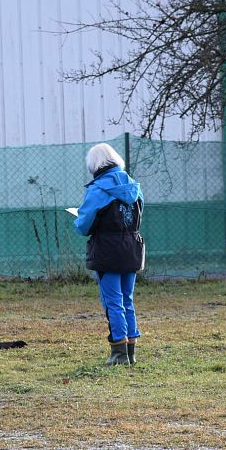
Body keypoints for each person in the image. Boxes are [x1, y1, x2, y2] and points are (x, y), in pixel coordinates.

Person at [74, 143, 144, 365]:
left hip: (107, 250)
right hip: (132, 248)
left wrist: (78, 219)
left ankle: (118, 353)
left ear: (94, 165)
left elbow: (83, 225)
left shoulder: (97, 190)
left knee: (112, 301)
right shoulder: (135, 187)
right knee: (127, 300)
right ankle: (130, 352)